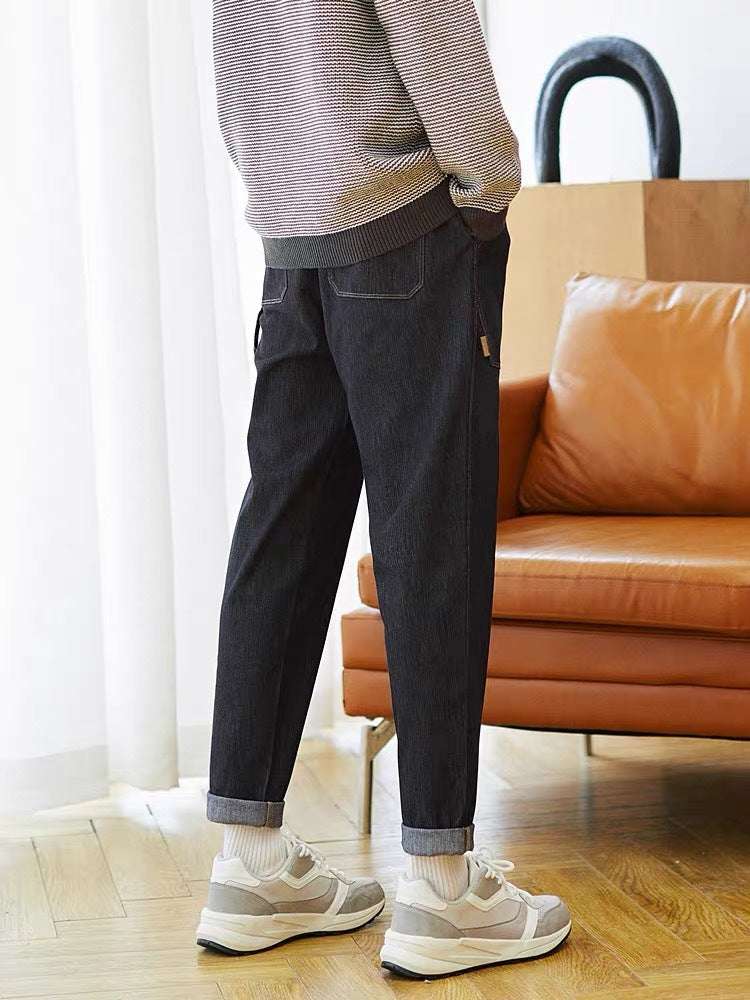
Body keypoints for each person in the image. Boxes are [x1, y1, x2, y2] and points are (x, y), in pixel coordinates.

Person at [197, 0, 571, 978]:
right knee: (431, 544)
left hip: (293, 241)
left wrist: (288, 196)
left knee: (280, 540)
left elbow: (242, 69)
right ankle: (443, 888)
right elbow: (438, 42)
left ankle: (249, 862)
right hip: (404, 229)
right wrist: (486, 193)